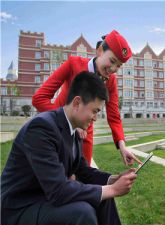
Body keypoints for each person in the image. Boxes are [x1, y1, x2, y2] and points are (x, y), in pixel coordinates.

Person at [1, 71, 137, 225]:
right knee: (82, 212)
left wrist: (112, 180)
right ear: (77, 103)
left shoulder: (72, 129)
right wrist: (112, 189)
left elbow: (83, 171)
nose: (95, 118)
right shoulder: (41, 128)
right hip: (20, 208)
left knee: (103, 198)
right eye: (95, 111)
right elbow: (58, 190)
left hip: (45, 198)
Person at [32, 29, 141, 166]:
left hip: (84, 135)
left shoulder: (111, 81)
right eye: (112, 61)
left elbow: (114, 116)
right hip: (58, 130)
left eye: (118, 66)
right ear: (100, 50)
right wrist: (69, 122)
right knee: (59, 178)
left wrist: (123, 146)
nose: (113, 69)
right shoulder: (73, 64)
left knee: (84, 177)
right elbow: (39, 98)